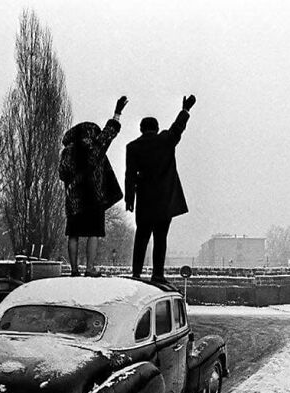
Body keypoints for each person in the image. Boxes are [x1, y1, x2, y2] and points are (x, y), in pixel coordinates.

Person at [125, 94, 196, 283]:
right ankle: (157, 274)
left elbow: (129, 175)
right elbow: (177, 127)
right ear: (156, 129)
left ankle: (136, 273)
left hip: (145, 200)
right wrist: (185, 110)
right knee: (160, 238)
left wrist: (129, 199)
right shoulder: (165, 140)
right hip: (165, 200)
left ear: (141, 129)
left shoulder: (133, 147)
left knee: (141, 237)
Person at [59, 96, 128, 277]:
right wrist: (117, 113)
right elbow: (108, 133)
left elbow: (62, 174)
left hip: (74, 200)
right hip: (94, 198)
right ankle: (89, 268)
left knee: (73, 234)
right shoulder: (95, 148)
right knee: (93, 233)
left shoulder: (67, 152)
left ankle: (74, 269)